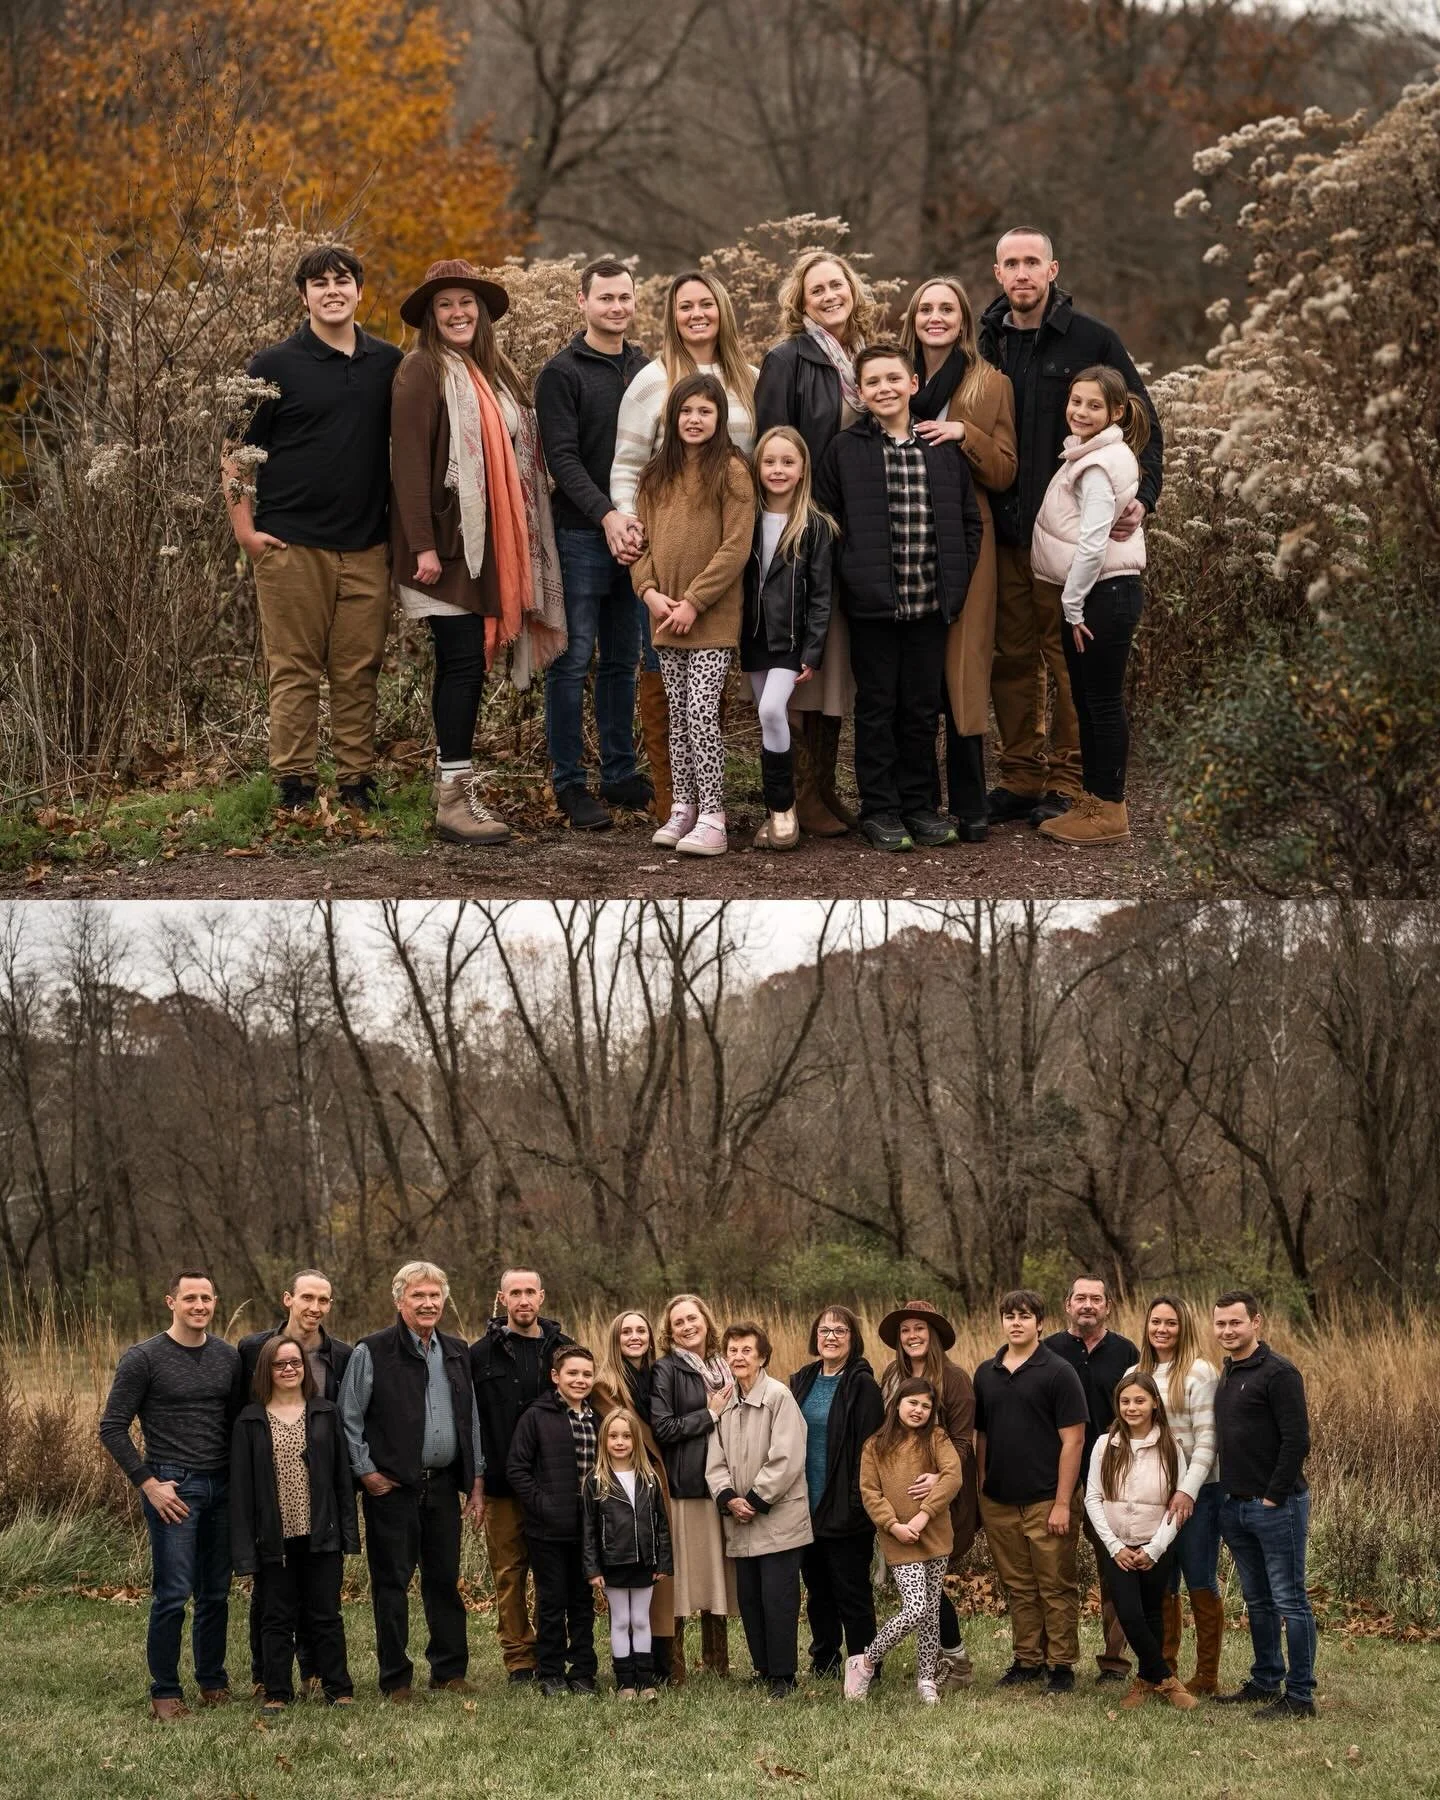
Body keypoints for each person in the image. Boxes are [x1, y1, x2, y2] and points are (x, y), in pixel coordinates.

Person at [977, 227, 1163, 830]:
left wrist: (1143, 498)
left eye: (1033, 261)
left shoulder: (1091, 339)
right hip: (1007, 533)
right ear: (998, 273)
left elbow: (1145, 424)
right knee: (1011, 660)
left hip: (1068, 545)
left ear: (1052, 270)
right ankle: (1019, 776)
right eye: (1011, 263)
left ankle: (1067, 780)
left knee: (1067, 664)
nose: (1022, 273)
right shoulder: (986, 344)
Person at [390, 259, 566, 846]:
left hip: (490, 545)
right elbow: (408, 463)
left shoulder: (496, 373)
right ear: (431, 316)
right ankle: (452, 802)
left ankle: (454, 786)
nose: (458, 312)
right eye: (445, 304)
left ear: (482, 312)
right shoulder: (421, 368)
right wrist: (423, 545)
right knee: (462, 663)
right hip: (444, 548)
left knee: (465, 665)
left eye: (466, 302)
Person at [223, 243, 402, 814]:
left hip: (367, 545)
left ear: (359, 291)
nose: (332, 291)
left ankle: (356, 781)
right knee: (294, 670)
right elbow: (235, 453)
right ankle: (294, 783)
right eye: (320, 283)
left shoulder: (389, 363)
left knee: (358, 669)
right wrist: (245, 533)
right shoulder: (272, 365)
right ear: (303, 296)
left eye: (342, 281)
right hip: (290, 543)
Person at [814, 342, 982, 853]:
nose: (884, 388)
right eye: (873, 382)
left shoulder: (941, 447)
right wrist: (852, 577)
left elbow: (969, 521)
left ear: (913, 384)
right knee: (877, 707)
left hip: (931, 604)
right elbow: (825, 521)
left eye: (893, 379)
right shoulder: (845, 450)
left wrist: (956, 579)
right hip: (873, 608)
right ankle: (880, 809)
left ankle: (919, 805)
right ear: (860, 392)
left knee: (921, 708)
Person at [610, 270, 758, 819]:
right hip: (665, 553)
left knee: (709, 685)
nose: (697, 314)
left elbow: (762, 459)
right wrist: (631, 532)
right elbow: (629, 466)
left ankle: (712, 804)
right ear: (672, 316)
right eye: (685, 306)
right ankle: (675, 800)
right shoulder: (651, 381)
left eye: (706, 304)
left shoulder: (751, 379)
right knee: (666, 680)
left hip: (731, 548)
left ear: (722, 309)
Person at [754, 250, 880, 836]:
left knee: (837, 661)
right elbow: (771, 447)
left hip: (859, 530)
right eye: (816, 290)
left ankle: (823, 788)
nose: (830, 296)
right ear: (800, 303)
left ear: (852, 289)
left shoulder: (867, 359)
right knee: (806, 658)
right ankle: (802, 794)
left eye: (837, 285)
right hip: (809, 529)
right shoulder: (787, 359)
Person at [535, 258, 654, 830]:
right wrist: (606, 515)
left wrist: (635, 521)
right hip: (582, 534)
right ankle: (569, 783)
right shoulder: (561, 373)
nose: (616, 307)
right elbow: (562, 459)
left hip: (636, 535)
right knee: (573, 659)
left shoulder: (647, 370)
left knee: (623, 660)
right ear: (582, 302)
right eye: (605, 298)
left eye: (624, 297)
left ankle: (619, 772)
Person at [899, 277, 1018, 838]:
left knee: (964, 668)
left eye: (947, 308)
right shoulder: (895, 376)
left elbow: (1005, 469)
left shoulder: (990, 383)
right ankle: (917, 799)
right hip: (905, 534)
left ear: (964, 320)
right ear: (913, 318)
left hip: (969, 536)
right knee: (916, 668)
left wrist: (962, 432)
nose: (936, 317)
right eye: (926, 308)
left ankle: (970, 805)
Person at [337, 1260, 484, 1700]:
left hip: (443, 1485)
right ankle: (396, 1678)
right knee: (391, 1585)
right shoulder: (372, 1351)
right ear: (399, 1300)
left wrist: (476, 1480)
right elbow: (349, 1417)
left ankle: (448, 1670)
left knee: (444, 1580)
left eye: (435, 1295)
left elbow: (471, 1419)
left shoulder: (456, 1351)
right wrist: (365, 1471)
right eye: (418, 1295)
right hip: (392, 1489)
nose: (427, 1303)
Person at [98, 1269, 241, 1719]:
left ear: (215, 1302)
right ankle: (165, 1691)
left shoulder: (228, 1357)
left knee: (215, 1593)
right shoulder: (144, 1357)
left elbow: (237, 1421)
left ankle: (212, 1681)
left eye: (206, 1298)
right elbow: (112, 1427)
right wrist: (148, 1483)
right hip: (174, 1486)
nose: (199, 1306)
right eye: (190, 1298)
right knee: (173, 1593)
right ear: (171, 1302)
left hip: (223, 1485)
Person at [632, 374, 755, 856]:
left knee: (703, 712)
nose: (694, 419)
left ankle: (714, 817)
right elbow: (639, 545)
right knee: (678, 716)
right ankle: (683, 807)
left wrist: (695, 601)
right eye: (686, 411)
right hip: (665, 617)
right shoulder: (654, 475)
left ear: (720, 416)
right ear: (672, 416)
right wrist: (648, 592)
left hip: (711, 618)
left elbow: (736, 547)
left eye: (705, 411)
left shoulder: (732, 471)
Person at [1028, 366, 1150, 845]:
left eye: (1094, 405)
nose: (1080, 411)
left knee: (1100, 702)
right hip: (1093, 593)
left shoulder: (1097, 465)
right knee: (1086, 699)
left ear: (1116, 412)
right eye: (1076, 401)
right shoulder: (1090, 453)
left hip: (1102, 595)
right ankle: (1093, 800)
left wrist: (1073, 606)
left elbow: (1095, 542)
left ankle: (1110, 810)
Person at [235, 1269, 353, 1699]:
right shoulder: (252, 1351)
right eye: (307, 1297)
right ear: (289, 1298)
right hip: (272, 1521)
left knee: (323, 1608)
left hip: (319, 1513)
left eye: (323, 1300)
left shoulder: (340, 1360)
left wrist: (344, 1526)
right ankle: (269, 1680)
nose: (315, 1307)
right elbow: (242, 1471)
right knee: (273, 1608)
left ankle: (321, 1676)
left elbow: (341, 1465)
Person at [973, 1288, 1088, 1691]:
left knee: (1055, 1585)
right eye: (1010, 1316)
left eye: (1025, 1316)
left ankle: (1061, 1665)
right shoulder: (986, 1372)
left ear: (1040, 1323)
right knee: (1019, 1585)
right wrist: (982, 1489)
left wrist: (1062, 1503)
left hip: (1047, 1499)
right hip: (1000, 1501)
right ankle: (1027, 1660)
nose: (1016, 1323)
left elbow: (1074, 1440)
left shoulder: (1058, 1372)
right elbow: (982, 1435)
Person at [1212, 1291, 1317, 1719]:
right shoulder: (1228, 1370)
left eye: (1235, 1322)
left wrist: (1273, 1495)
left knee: (1290, 1600)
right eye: (1220, 1323)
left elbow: (1297, 1440)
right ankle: (1265, 1679)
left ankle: (1300, 1695)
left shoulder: (1279, 1372)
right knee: (1257, 1601)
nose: (1227, 1330)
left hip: (1277, 1506)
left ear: (1256, 1322)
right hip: (1235, 1506)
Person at [470, 1269, 575, 1684]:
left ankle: (553, 1651)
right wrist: (476, 1483)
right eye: (515, 1293)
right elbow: (471, 1422)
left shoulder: (564, 1350)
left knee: (556, 1574)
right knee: (509, 1574)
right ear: (502, 1299)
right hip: (502, 1486)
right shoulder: (480, 1355)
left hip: (555, 1485)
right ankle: (519, 1658)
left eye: (530, 1291)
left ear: (542, 1296)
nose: (523, 1299)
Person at [705, 1321, 813, 1700]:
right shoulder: (725, 1402)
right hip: (740, 1519)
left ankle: (784, 1675)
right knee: (750, 1600)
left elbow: (787, 1457)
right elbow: (714, 1458)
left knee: (778, 1598)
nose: (739, 1357)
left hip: (777, 1518)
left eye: (746, 1350)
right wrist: (728, 1497)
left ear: (762, 1357)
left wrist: (753, 1499)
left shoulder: (779, 1397)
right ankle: (763, 1669)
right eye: (732, 1351)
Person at [876, 1299, 980, 1690]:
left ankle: (956, 1662)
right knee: (918, 1583)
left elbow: (963, 1441)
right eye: (905, 1330)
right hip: (899, 1496)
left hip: (943, 1499)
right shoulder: (892, 1376)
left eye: (919, 1328)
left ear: (933, 1334)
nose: (912, 1335)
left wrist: (938, 1477)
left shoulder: (954, 1378)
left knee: (930, 1585)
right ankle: (939, 1661)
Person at [1044, 1275, 1141, 1683]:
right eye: (1080, 1298)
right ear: (1067, 1304)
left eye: (1096, 1299)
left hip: (1113, 1475)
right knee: (1055, 1569)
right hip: (1059, 1477)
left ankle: (1115, 1661)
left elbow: (1140, 1409)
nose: (1088, 1305)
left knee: (1114, 1569)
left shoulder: (1126, 1352)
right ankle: (1056, 1660)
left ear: (1108, 1306)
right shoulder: (1047, 1350)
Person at [742, 427, 835, 850]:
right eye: (769, 461)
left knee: (771, 709)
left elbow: (821, 596)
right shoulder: (745, 519)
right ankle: (776, 811)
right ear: (757, 467)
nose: (777, 470)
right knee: (767, 719)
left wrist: (812, 650)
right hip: (754, 637)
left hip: (790, 640)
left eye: (787, 462)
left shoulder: (815, 526)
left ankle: (783, 811)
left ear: (802, 469)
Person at [1125, 1296, 1223, 1695]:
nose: (1161, 1330)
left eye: (1170, 1323)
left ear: (1183, 1327)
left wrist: (1187, 1491)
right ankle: (1163, 1669)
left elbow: (1208, 1441)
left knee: (1199, 1578)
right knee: (1160, 1584)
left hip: (1199, 1494)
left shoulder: (1200, 1372)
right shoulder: (1135, 1373)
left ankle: (1207, 1676)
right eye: (1155, 1322)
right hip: (1152, 1494)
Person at [1082, 1374, 1198, 1712]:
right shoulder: (1105, 1445)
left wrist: (1155, 1548)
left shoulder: (1171, 1447)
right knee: (1130, 1614)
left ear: (1154, 1404)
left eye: (1139, 1401)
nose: (1132, 1408)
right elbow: (1092, 1498)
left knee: (1152, 1613)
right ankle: (1167, 1679)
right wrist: (1114, 1546)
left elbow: (1177, 1505)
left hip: (1155, 1544)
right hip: (1117, 1546)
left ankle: (1145, 1682)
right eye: (1125, 1401)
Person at [845, 1377, 963, 1706]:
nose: (918, 1410)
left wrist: (924, 1515)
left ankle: (926, 1678)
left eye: (926, 1406)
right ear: (897, 1403)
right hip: (899, 1538)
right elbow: (870, 1492)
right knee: (915, 1608)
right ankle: (865, 1662)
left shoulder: (937, 1438)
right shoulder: (875, 1446)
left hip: (934, 1535)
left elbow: (953, 1476)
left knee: (931, 1611)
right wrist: (893, 1525)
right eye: (912, 1403)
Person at [788, 1305, 884, 1679]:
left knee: (852, 1592)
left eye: (840, 1331)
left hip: (846, 1507)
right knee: (817, 1591)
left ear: (852, 1339)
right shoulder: (802, 1380)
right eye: (824, 1330)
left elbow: (870, 1451)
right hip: (805, 1506)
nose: (831, 1337)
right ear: (815, 1337)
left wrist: (858, 1504)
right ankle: (824, 1659)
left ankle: (865, 1664)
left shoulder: (863, 1386)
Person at [650, 1293, 738, 1680]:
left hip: (726, 1486)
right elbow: (663, 1427)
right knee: (684, 1578)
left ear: (706, 1320)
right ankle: (676, 1667)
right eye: (679, 1323)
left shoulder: (727, 1365)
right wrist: (709, 1414)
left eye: (692, 1318)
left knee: (718, 1573)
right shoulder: (666, 1369)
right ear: (670, 1333)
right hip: (687, 1484)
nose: (687, 1327)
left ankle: (718, 1664)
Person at [506, 1345, 601, 1697]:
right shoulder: (537, 1416)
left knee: (582, 1602)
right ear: (555, 1376)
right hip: (547, 1529)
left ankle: (583, 1670)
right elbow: (517, 1468)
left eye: (587, 1374)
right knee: (552, 1601)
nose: (580, 1380)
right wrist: (542, 1505)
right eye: (572, 1373)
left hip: (588, 1528)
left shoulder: (596, 1419)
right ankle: (550, 1670)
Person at [591, 1311, 676, 1684]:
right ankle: (631, 1671)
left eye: (641, 1330)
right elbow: (622, 1436)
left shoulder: (658, 1376)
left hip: (658, 1482)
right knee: (628, 1592)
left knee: (656, 1581)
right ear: (615, 1338)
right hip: (627, 1487)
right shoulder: (605, 1386)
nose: (634, 1336)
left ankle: (659, 1663)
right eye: (626, 1331)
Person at [582, 1408, 673, 1700]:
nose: (619, 1442)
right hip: (613, 1564)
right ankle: (626, 1684)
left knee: (641, 1620)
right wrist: (593, 1569)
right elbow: (589, 1530)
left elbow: (662, 1524)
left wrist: (664, 1562)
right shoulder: (596, 1480)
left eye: (626, 1436)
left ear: (635, 1440)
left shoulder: (649, 1478)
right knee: (621, 1621)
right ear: (604, 1440)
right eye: (613, 1436)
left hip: (644, 1562)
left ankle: (646, 1682)